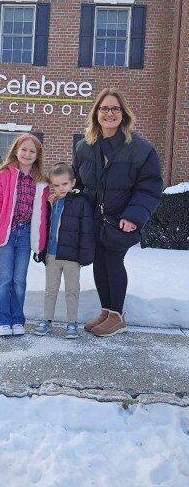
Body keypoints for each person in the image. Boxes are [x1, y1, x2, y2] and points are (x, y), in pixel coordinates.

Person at [73, 88, 163, 337]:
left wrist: (133, 217)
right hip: (94, 218)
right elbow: (78, 183)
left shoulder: (140, 149)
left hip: (120, 219)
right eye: (104, 108)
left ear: (123, 114)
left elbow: (150, 187)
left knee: (113, 261)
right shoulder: (84, 147)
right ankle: (106, 311)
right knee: (99, 263)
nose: (109, 113)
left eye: (115, 108)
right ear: (96, 113)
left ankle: (117, 316)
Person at [0, 133, 49, 336]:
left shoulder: (40, 181)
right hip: (6, 232)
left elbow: (43, 211)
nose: (27, 154)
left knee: (19, 279)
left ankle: (17, 319)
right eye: (24, 149)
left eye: (32, 151)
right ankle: (2, 319)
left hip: (25, 235)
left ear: (37, 155)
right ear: (15, 150)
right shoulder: (3, 174)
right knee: (4, 278)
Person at [33, 163, 94, 339]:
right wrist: (41, 250)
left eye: (64, 184)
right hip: (52, 256)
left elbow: (87, 231)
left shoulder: (81, 203)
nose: (61, 188)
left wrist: (84, 256)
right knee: (50, 290)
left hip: (72, 258)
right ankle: (47, 321)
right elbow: (44, 227)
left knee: (72, 291)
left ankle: (72, 323)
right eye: (57, 185)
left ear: (73, 182)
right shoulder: (51, 202)